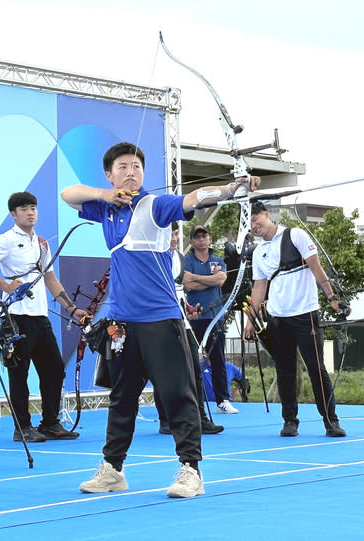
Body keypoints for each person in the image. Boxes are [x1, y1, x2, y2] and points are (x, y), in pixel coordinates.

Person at [61, 141, 259, 498]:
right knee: (122, 398)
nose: (131, 171)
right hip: (122, 322)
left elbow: (193, 199)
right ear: (110, 174)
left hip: (160, 319)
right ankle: (113, 469)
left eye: (137, 166)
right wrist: (106, 195)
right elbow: (67, 194)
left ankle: (190, 470)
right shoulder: (106, 209)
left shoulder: (154, 205)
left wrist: (231, 189)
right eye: (123, 166)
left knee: (177, 395)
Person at [0, 191, 87, 442]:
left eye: (33, 207)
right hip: (17, 317)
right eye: (24, 208)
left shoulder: (42, 243)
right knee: (19, 374)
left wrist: (71, 308)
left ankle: (50, 423)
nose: (30, 212)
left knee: (54, 371)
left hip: (40, 316)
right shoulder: (6, 239)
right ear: (13, 214)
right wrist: (5, 286)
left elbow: (50, 278)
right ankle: (22, 428)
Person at [242, 201, 347, 438]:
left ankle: (331, 421)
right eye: (250, 226)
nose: (254, 227)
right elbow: (259, 287)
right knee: (284, 371)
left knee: (316, 368)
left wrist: (332, 298)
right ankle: (290, 421)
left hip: (305, 314)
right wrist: (250, 319)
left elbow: (317, 269)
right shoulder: (259, 252)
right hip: (278, 318)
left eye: (256, 221)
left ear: (266, 215)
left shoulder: (295, 236)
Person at [155, 225, 224, 435]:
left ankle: (199, 418)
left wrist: (188, 308)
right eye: (170, 234)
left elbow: (182, 288)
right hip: (161, 321)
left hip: (183, 321)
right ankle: (165, 419)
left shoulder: (178, 257)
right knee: (163, 371)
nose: (174, 238)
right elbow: (182, 284)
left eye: (176, 234)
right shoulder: (155, 257)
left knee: (195, 369)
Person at [183, 226, 238, 414]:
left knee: (218, 359)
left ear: (209, 239)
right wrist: (209, 278)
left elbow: (221, 280)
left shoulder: (217, 260)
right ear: (191, 241)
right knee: (190, 360)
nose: (200, 240)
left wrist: (198, 279)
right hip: (194, 317)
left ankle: (222, 400)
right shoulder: (187, 260)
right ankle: (192, 401)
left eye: (203, 236)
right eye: (196, 237)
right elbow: (187, 283)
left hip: (214, 317)